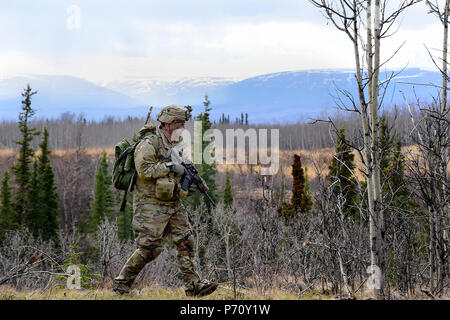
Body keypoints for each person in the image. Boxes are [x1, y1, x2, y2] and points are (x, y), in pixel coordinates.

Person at [113, 104, 217, 297]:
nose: (183, 128)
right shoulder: (149, 143)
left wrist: (193, 182)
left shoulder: (175, 145)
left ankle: (193, 286)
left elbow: (183, 168)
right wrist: (170, 166)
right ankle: (121, 284)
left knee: (186, 241)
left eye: (183, 124)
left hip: (172, 202)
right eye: (179, 124)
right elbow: (145, 170)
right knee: (150, 249)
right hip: (150, 204)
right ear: (168, 124)